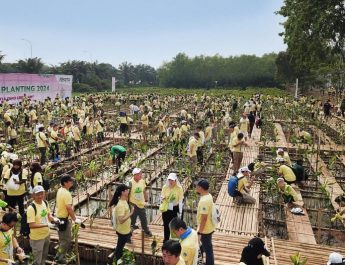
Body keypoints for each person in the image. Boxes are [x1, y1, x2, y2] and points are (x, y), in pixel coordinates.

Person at [27, 185, 57, 265]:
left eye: (41, 194)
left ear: (44, 193)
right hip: (37, 238)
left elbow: (48, 215)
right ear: (33, 195)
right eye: (37, 194)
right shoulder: (31, 208)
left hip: (46, 234)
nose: (40, 196)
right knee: (37, 260)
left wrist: (54, 219)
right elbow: (31, 225)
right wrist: (46, 225)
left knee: (44, 255)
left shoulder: (45, 202)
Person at [55, 175, 81, 263]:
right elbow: (69, 208)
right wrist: (74, 219)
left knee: (62, 239)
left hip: (59, 217)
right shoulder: (66, 193)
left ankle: (58, 255)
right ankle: (60, 258)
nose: (72, 182)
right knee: (66, 240)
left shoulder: (60, 190)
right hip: (64, 219)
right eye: (70, 181)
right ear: (65, 183)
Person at [109, 184, 134, 263]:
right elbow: (121, 220)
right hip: (122, 231)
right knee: (119, 248)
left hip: (125, 230)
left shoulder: (124, 201)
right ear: (122, 192)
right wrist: (131, 213)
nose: (128, 191)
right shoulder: (121, 205)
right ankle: (115, 260)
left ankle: (114, 259)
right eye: (126, 190)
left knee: (120, 246)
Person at [195, 179, 215, 265]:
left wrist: (200, 232)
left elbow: (204, 218)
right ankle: (199, 260)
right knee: (204, 246)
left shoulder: (204, 201)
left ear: (200, 188)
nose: (196, 187)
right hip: (209, 227)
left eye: (197, 186)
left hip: (205, 230)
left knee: (208, 250)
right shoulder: (208, 196)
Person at [160, 173, 184, 242]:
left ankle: (175, 240)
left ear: (175, 180)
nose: (170, 182)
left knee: (174, 225)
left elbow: (180, 200)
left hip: (174, 209)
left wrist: (180, 211)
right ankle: (166, 239)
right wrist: (163, 198)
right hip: (166, 208)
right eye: (169, 180)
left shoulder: (179, 188)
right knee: (166, 224)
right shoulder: (165, 187)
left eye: (172, 180)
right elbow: (161, 197)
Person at [128, 168, 152, 237]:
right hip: (133, 205)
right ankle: (128, 235)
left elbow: (144, 191)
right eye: (138, 174)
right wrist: (128, 204)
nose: (140, 175)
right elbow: (127, 193)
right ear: (134, 175)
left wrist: (146, 200)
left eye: (140, 174)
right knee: (132, 221)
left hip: (141, 204)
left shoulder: (142, 181)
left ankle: (146, 231)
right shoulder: (130, 182)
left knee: (143, 219)